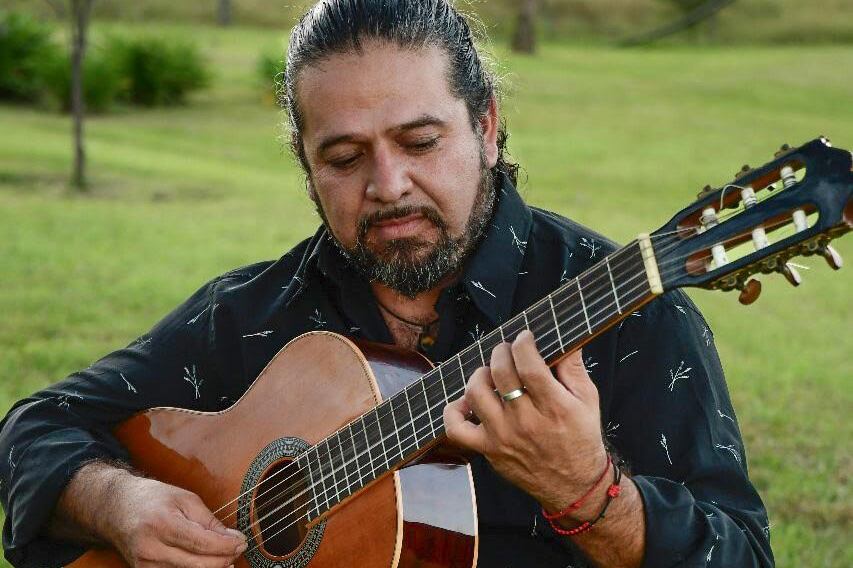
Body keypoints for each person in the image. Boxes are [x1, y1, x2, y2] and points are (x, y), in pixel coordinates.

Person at [0, 1, 774, 567]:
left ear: (486, 126)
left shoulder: (628, 311)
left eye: (420, 141)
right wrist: (118, 501)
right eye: (343, 158)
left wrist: (589, 495)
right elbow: (36, 427)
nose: (387, 184)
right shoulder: (249, 315)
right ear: (306, 165)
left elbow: (738, 553)